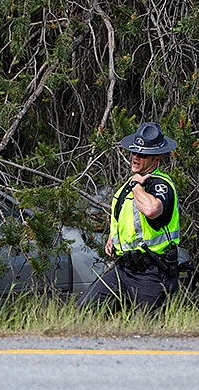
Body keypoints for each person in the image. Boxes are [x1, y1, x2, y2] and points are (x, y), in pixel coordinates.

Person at [78, 121, 180, 311]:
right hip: (123, 269)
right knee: (85, 309)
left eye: (142, 154)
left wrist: (136, 186)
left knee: (146, 329)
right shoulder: (130, 184)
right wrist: (113, 237)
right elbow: (123, 217)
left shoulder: (159, 184)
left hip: (151, 273)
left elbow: (151, 210)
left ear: (156, 159)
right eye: (134, 152)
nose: (135, 157)